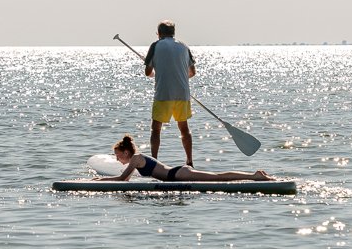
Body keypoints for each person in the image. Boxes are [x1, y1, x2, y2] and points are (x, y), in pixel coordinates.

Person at [98, 135, 273, 183]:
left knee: (218, 178)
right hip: (177, 173)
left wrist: (99, 180)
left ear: (126, 153)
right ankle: (253, 175)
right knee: (217, 177)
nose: (117, 158)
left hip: (178, 175)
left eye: (118, 155)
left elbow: (123, 179)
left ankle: (254, 176)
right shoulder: (136, 158)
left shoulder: (136, 158)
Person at [144, 21, 196, 165]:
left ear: (159, 33)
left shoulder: (155, 46)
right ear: (173, 33)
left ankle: (154, 161)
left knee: (156, 129)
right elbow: (192, 72)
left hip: (163, 93)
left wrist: (155, 71)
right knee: (184, 128)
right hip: (182, 93)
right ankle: (190, 161)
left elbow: (148, 72)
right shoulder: (184, 46)